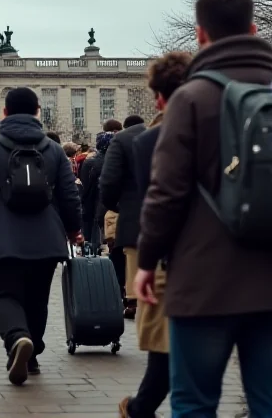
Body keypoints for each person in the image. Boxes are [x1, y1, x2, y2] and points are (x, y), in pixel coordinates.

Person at [136, 0, 272, 416]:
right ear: (253, 28)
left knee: (194, 402)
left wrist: (147, 261)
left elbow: (166, 192)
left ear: (200, 35)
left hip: (203, 279)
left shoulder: (191, 98)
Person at [0, 87, 82, 386]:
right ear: (38, 111)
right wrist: (73, 229)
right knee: (38, 298)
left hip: (5, 237)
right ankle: (33, 354)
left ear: (4, 113)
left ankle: (17, 339)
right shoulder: (53, 150)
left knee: (4, 295)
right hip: (47, 237)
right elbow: (69, 195)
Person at [119, 51, 192, 418]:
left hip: (174, 259)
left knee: (168, 348)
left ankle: (141, 407)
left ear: (158, 97)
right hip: (239, 264)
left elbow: (158, 206)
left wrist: (145, 263)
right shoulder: (233, 125)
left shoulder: (148, 142)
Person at [100, 114, 146, 320]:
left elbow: (108, 184)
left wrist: (116, 207)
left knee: (131, 262)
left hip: (133, 218)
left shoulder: (123, 140)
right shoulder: (175, 131)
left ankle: (132, 300)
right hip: (174, 220)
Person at [78, 130, 116, 245]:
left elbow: (85, 186)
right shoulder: (116, 161)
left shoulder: (90, 162)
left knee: (91, 231)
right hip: (110, 203)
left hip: (91, 202)